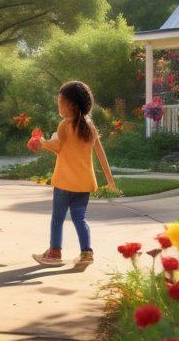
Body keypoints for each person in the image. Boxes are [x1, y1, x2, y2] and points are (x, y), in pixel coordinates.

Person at [30, 80, 116, 270]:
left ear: (71, 105)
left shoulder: (64, 125)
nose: (58, 105)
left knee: (58, 218)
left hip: (64, 183)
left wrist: (42, 141)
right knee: (79, 218)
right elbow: (101, 154)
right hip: (84, 184)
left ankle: (54, 252)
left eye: (60, 102)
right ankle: (86, 252)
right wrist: (110, 180)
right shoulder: (89, 126)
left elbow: (59, 147)